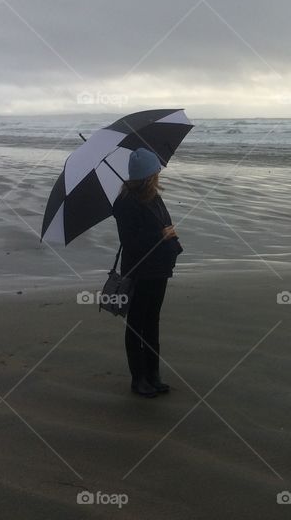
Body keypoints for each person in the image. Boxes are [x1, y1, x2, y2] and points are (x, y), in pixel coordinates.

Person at [112, 148, 183, 398]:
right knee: (136, 324)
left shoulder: (153, 197)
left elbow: (163, 222)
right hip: (140, 270)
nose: (159, 174)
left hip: (159, 269)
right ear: (148, 174)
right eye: (156, 171)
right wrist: (161, 235)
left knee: (152, 322)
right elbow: (131, 242)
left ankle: (153, 374)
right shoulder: (125, 203)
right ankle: (138, 379)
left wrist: (170, 235)